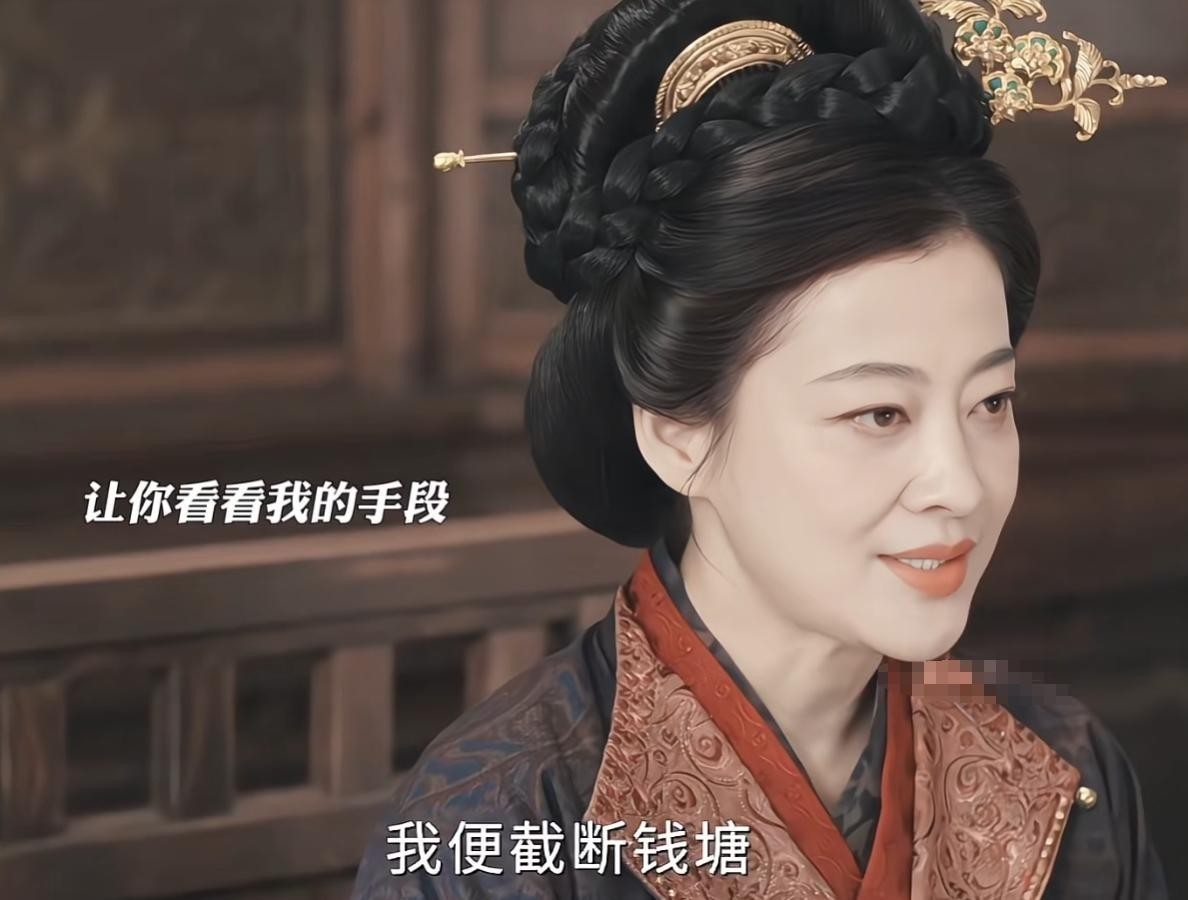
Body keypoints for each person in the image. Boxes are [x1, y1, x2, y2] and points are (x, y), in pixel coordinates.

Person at [353, 0, 1168, 896]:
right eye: (879, 414)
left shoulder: (1064, 770)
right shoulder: (501, 818)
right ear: (678, 435)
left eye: (991, 402)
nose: (960, 485)